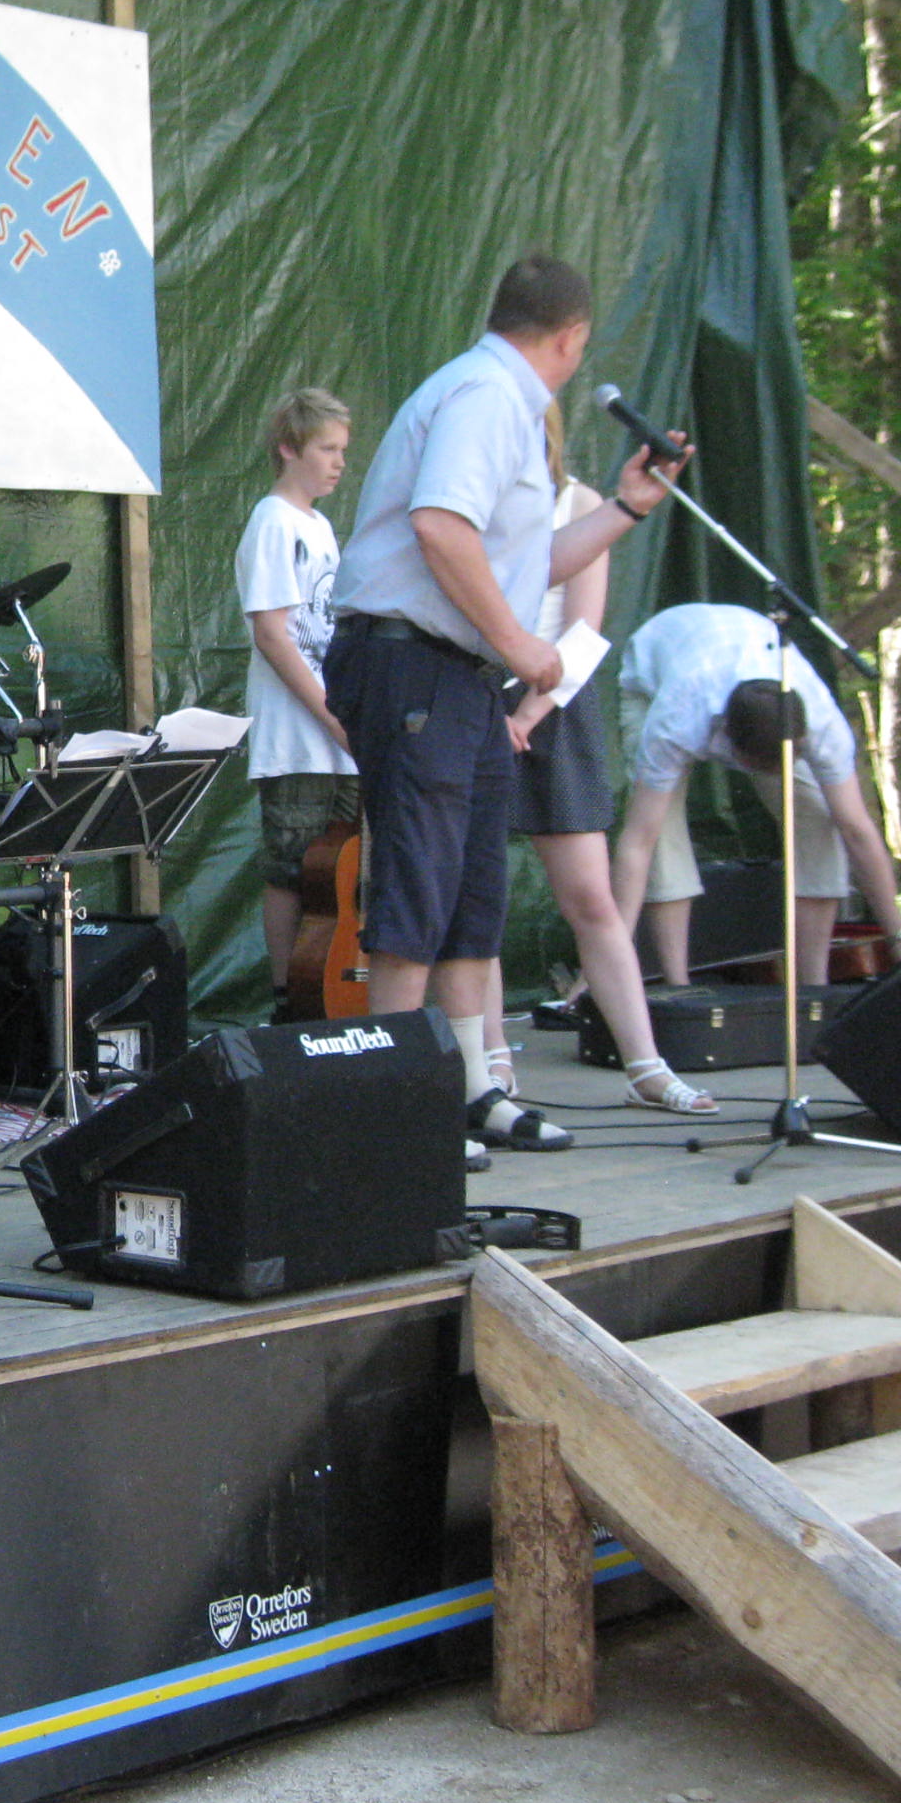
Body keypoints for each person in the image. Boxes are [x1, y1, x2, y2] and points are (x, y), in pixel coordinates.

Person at [323, 255, 683, 1159]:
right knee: (418, 884)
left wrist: (628, 507)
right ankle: (397, 1106)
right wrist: (522, 646)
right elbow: (439, 525)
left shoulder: (509, 408)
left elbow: (522, 565)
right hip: (415, 663)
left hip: (462, 675)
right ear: (572, 338)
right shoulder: (485, 395)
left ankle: (472, 1089)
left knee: (473, 890)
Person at [503, 433, 717, 1117]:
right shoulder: (469, 502)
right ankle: (492, 1066)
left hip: (554, 705)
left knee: (593, 900)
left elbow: (584, 634)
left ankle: (646, 1066)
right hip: (473, 696)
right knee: (473, 900)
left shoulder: (581, 503)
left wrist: (529, 714)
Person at [609, 602, 901, 988]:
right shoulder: (678, 719)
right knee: (662, 834)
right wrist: (608, 955)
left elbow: (857, 830)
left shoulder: (821, 722)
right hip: (656, 669)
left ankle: (812, 986)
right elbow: (638, 842)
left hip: (737, 653)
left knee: (818, 815)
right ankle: (679, 989)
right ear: (734, 751)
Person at [235, 387, 360, 985]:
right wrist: (332, 717)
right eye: (327, 449)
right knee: (292, 870)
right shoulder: (272, 521)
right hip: (298, 736)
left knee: (343, 872)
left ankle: (336, 988)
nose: (339, 463)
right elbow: (273, 635)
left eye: (343, 450)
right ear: (289, 448)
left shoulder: (320, 524)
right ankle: (291, 994)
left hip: (339, 736)